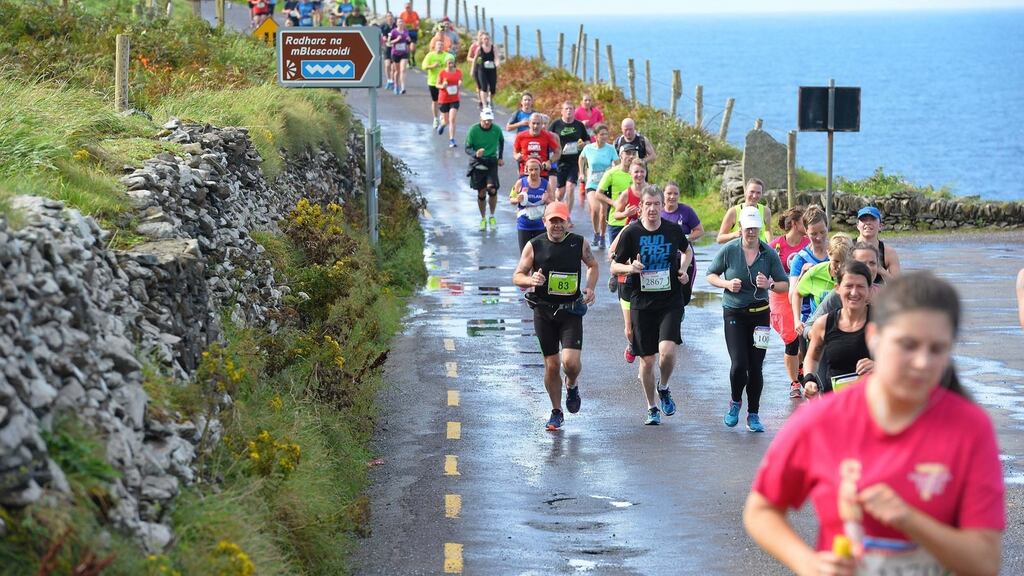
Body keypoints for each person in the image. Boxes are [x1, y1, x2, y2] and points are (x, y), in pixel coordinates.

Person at [744, 271, 1005, 576]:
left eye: (937, 349)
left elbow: (985, 561)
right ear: (874, 337)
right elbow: (761, 511)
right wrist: (808, 564)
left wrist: (908, 519)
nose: (922, 362)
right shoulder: (822, 420)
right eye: (907, 344)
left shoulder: (969, 427)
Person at [512, 202, 599, 431]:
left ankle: (572, 384)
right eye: (553, 221)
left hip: (570, 310)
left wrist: (590, 287)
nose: (557, 225)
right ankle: (556, 411)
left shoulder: (578, 243)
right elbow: (518, 275)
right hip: (544, 311)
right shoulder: (534, 245)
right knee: (551, 365)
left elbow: (592, 265)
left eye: (561, 220)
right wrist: (530, 281)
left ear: (567, 222)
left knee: (570, 363)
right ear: (545, 222)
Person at [610, 186, 692, 425]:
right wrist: (630, 268)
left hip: (669, 300)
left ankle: (664, 387)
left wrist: (683, 270)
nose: (654, 209)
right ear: (642, 207)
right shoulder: (631, 232)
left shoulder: (672, 230)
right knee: (647, 360)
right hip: (641, 302)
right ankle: (651, 406)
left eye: (657, 204)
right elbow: (615, 266)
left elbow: (687, 251)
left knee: (666, 352)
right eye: (649, 204)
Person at [706, 206, 789, 433]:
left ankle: (753, 414)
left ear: (759, 229)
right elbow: (710, 275)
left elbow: (784, 285)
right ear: (740, 228)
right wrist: (726, 284)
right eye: (747, 228)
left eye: (755, 228)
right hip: (734, 313)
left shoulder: (768, 253)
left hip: (760, 314)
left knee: (756, 367)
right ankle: (735, 402)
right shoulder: (729, 250)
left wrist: (769, 284)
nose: (751, 233)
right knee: (739, 364)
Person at [803, 260, 874, 397]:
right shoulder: (824, 324)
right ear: (837, 288)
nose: (854, 292)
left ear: (869, 290)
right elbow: (812, 357)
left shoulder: (883, 322)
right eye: (848, 286)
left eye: (860, 286)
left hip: (872, 406)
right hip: (836, 404)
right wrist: (809, 379)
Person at [769, 206, 809, 398]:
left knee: (805, 338)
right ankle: (794, 382)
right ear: (794, 223)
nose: (808, 226)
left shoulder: (809, 243)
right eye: (804, 222)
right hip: (780, 298)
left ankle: (801, 368)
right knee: (791, 340)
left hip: (804, 296)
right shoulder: (776, 245)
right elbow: (764, 268)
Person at [661, 181, 703, 311]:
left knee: (684, 290)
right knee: (665, 289)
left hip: (685, 255)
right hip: (664, 257)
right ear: (663, 195)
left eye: (675, 194)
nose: (672, 197)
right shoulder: (658, 211)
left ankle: (680, 310)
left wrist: (684, 238)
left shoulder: (686, 211)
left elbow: (699, 230)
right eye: (669, 193)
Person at [790, 205, 830, 340]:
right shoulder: (800, 259)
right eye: (813, 234)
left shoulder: (837, 254)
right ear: (806, 232)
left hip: (836, 318)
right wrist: (802, 275)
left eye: (822, 232)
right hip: (810, 321)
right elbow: (791, 297)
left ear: (827, 228)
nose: (819, 237)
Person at [578, 123, 618, 249]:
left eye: (606, 134)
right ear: (596, 136)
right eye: (602, 134)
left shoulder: (610, 149)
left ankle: (602, 236)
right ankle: (596, 233)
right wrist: (582, 173)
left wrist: (614, 173)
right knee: (595, 209)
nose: (605, 136)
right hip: (592, 183)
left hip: (605, 184)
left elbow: (617, 164)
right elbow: (581, 158)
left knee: (603, 211)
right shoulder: (588, 148)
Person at [465, 107, 505, 232]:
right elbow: (467, 148)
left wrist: (500, 157)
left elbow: (501, 141)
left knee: (492, 189)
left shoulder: (496, 129)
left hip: (491, 162)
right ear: (481, 119)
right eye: (485, 120)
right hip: (478, 163)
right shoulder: (473, 130)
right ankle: (483, 218)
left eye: (489, 120)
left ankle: (492, 216)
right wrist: (476, 153)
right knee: (481, 192)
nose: (487, 123)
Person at [548, 101, 589, 215]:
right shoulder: (556, 124)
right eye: (566, 109)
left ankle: (567, 215)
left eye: (571, 109)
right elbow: (547, 138)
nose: (568, 111)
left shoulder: (579, 125)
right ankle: (557, 205)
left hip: (574, 161)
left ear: (574, 111)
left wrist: (584, 144)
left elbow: (587, 140)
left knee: (570, 187)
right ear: (562, 111)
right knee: (560, 193)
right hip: (559, 161)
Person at [511, 159, 554, 250]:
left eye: (536, 169)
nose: (533, 172)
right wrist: (517, 199)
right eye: (531, 170)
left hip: (540, 225)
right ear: (526, 170)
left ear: (540, 170)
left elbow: (553, 206)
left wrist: (547, 200)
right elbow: (511, 199)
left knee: (540, 256)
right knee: (525, 255)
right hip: (524, 225)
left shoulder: (546, 184)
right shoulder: (520, 183)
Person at [717, 178, 773, 244]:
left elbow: (767, 230)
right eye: (752, 192)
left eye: (758, 193)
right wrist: (735, 234)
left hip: (760, 252)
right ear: (745, 191)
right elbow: (719, 239)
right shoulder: (733, 212)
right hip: (739, 252)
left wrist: (770, 246)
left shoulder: (766, 211)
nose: (754, 196)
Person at [856, 205, 901, 285]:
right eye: (864, 219)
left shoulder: (889, 253)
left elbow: (898, 286)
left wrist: (880, 270)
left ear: (880, 226)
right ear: (858, 226)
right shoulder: (848, 246)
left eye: (872, 219)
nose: (868, 222)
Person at [513, 113, 560, 181]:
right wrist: (516, 156)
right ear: (529, 124)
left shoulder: (548, 136)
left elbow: (557, 152)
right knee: (522, 191)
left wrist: (549, 161)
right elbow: (515, 151)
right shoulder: (520, 136)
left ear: (541, 125)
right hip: (525, 172)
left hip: (542, 173)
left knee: (545, 191)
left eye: (538, 124)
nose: (535, 126)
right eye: (533, 123)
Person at [422, 38, 454, 130]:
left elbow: (451, 59)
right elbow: (424, 66)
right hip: (432, 82)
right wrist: (432, 66)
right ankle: (435, 118)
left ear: (443, 47)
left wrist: (450, 61)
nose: (440, 46)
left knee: (444, 101)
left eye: (441, 45)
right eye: (438, 45)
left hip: (444, 82)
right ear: (434, 46)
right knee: (435, 101)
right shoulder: (430, 55)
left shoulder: (446, 55)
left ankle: (442, 116)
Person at [435, 57, 462, 148]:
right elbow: (437, 84)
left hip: (454, 99)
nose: (450, 64)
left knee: (452, 119)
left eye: (452, 63)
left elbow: (460, 80)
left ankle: (452, 140)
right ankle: (442, 124)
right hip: (444, 99)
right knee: (446, 121)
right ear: (446, 63)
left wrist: (460, 83)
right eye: (449, 63)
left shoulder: (458, 72)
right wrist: (443, 86)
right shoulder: (442, 73)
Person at [468, 31, 499, 109]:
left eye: (487, 39)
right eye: (484, 39)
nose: (486, 40)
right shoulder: (479, 48)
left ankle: (490, 100)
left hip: (492, 69)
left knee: (493, 88)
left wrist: (497, 63)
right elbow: (474, 59)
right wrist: (472, 70)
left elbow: (497, 57)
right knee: (483, 87)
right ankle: (484, 104)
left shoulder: (493, 47)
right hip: (482, 69)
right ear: (482, 40)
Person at [386, 20, 412, 94]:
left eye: (402, 22)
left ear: (404, 23)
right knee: (397, 71)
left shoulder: (406, 31)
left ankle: (403, 87)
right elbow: (388, 42)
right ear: (397, 23)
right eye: (399, 22)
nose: (401, 23)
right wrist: (396, 39)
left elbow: (408, 42)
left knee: (403, 70)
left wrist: (409, 40)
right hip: (395, 53)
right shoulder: (393, 31)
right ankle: (396, 85)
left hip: (404, 53)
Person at [398, 1, 420, 66]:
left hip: (413, 32)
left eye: (409, 7)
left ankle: (412, 57)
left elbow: (418, 20)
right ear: (405, 8)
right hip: (406, 32)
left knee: (413, 48)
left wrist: (418, 24)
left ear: (411, 7)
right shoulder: (402, 14)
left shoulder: (415, 13)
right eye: (406, 7)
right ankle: (408, 61)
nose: (408, 8)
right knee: (407, 48)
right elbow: (399, 22)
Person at [378, 12, 397, 88]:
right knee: (387, 65)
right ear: (386, 18)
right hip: (386, 47)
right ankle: (388, 79)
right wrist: (383, 38)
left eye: (391, 16)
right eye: (388, 16)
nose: (390, 18)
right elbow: (379, 34)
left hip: (395, 48)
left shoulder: (395, 26)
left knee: (393, 67)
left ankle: (392, 80)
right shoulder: (383, 26)